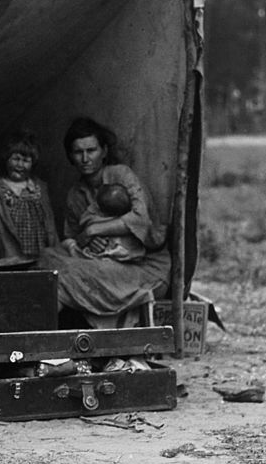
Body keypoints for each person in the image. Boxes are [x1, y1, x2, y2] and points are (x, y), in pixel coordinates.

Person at [38, 117, 170, 329]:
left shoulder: (121, 176)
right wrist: (84, 242)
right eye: (78, 152)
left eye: (91, 150)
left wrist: (94, 229)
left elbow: (141, 220)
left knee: (61, 277)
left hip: (142, 267)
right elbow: (71, 237)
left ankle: (42, 336)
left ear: (104, 151)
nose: (85, 158)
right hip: (101, 263)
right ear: (70, 156)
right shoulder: (75, 194)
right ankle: (38, 336)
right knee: (47, 259)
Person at [0, 131, 58, 269]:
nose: (20, 165)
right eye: (16, 159)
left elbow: (49, 221)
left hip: (38, 252)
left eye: (26, 161)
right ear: (6, 159)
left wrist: (54, 247)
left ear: (33, 163)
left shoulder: (39, 187)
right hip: (10, 253)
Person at [77, 183, 146, 262]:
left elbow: (83, 223)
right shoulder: (124, 217)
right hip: (127, 251)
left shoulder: (94, 218)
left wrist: (91, 230)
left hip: (110, 249)